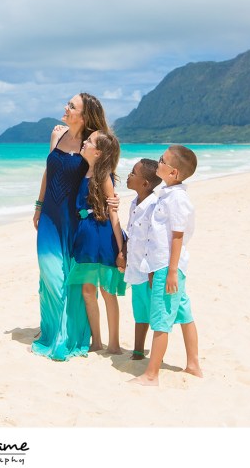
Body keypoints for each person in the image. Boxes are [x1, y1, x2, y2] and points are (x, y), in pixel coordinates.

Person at [31, 93, 111, 361]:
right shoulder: (57, 134)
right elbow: (47, 171)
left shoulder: (91, 144)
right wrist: (39, 205)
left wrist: (112, 201)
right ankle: (53, 330)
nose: (65, 107)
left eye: (72, 106)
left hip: (76, 220)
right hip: (50, 217)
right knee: (50, 275)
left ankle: (69, 334)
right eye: (67, 103)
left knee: (71, 278)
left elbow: (101, 176)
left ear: (84, 116)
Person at [130, 145, 203, 386]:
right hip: (161, 265)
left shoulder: (177, 199)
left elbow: (178, 236)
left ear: (173, 173)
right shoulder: (166, 194)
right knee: (183, 311)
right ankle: (193, 364)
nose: (158, 162)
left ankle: (152, 374)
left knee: (161, 318)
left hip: (168, 267)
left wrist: (170, 271)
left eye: (162, 160)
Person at [67, 130, 127, 354]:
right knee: (87, 290)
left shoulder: (103, 176)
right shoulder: (84, 172)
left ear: (99, 152)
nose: (84, 142)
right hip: (85, 236)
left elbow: (113, 214)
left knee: (107, 290)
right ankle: (97, 341)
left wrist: (121, 249)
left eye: (89, 141)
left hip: (102, 236)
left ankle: (114, 343)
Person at [122, 158, 163, 360]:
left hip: (149, 270)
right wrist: (123, 253)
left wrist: (154, 269)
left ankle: (157, 352)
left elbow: (155, 239)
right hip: (135, 268)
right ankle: (138, 349)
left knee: (154, 312)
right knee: (139, 310)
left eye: (133, 173)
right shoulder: (133, 204)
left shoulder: (154, 205)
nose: (129, 175)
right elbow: (130, 234)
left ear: (145, 184)